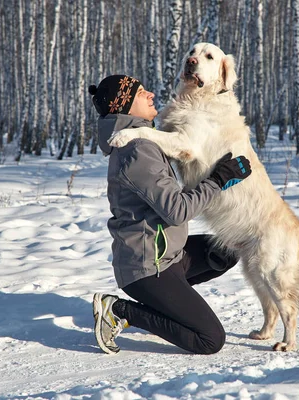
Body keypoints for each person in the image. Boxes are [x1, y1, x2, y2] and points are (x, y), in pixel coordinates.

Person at [88, 75, 252, 355]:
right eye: (141, 93)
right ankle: (119, 310)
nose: (150, 94)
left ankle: (167, 304)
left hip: (168, 256)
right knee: (209, 340)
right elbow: (177, 211)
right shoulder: (136, 151)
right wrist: (218, 179)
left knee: (226, 249)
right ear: (125, 105)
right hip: (146, 267)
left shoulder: (145, 142)